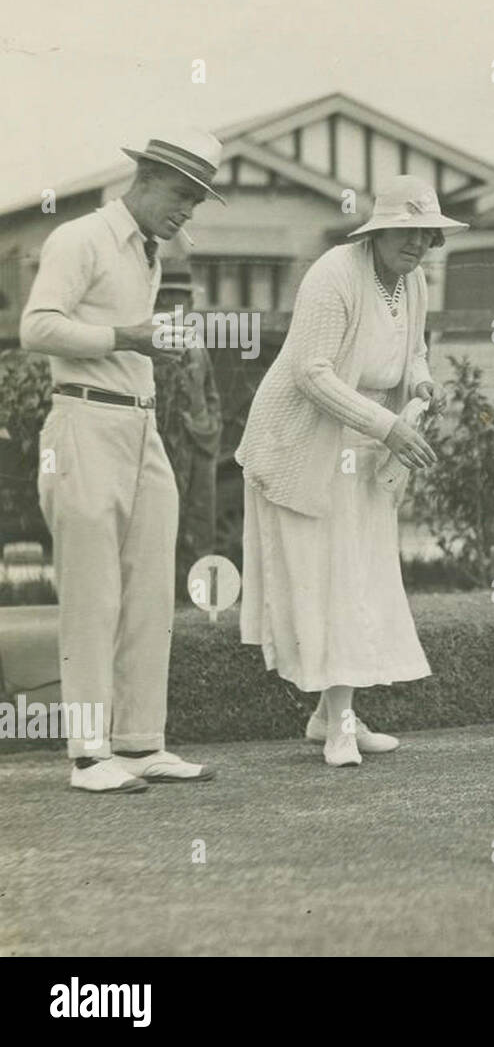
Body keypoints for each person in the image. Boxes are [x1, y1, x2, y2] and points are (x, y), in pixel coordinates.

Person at [21, 127, 224, 792]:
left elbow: (126, 340)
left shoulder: (147, 254)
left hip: (140, 429)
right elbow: (36, 326)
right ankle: (87, 754)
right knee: (92, 593)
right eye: (182, 194)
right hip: (81, 421)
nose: (186, 210)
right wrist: (128, 336)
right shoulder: (78, 238)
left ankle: (139, 743)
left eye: (196, 201)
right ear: (147, 176)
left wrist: (146, 345)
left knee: (147, 590)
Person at [237, 175, 453, 766]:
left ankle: (328, 719)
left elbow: (413, 352)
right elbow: (311, 371)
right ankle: (339, 728)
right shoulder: (333, 273)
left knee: (359, 576)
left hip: (363, 445)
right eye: (405, 232)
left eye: (426, 233)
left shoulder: (413, 283)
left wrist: (423, 383)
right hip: (300, 442)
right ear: (379, 231)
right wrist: (388, 426)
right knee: (330, 579)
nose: (418, 244)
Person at [153, 268, 223, 597]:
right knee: (168, 521)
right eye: (169, 302)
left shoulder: (197, 346)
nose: (177, 309)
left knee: (202, 519)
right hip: (166, 447)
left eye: (184, 302)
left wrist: (211, 426)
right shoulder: (150, 348)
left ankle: (200, 598)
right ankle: (168, 595)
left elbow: (211, 393)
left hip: (202, 446)